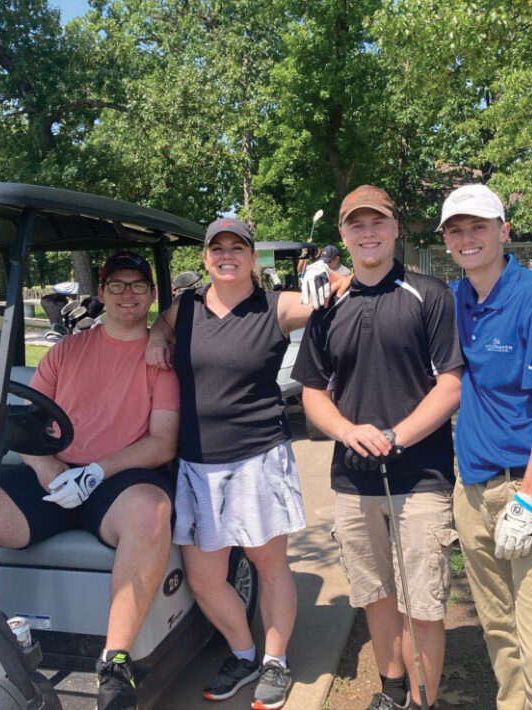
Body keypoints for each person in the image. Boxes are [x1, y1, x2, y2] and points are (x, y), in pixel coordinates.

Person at [146, 216, 343, 710]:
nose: (226, 255)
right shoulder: (187, 307)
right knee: (206, 578)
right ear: (205, 258)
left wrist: (328, 273)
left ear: (253, 258)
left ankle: (276, 661)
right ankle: (244, 653)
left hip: (258, 457)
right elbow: (162, 324)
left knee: (270, 566)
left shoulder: (274, 306)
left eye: (238, 247)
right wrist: (154, 336)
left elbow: (336, 292)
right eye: (218, 248)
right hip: (197, 464)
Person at [292, 185, 464, 710]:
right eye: (357, 225)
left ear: (395, 229)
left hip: (422, 476)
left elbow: (451, 384)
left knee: (425, 602)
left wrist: (397, 436)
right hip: (352, 477)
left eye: (378, 223)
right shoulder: (327, 306)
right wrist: (347, 431)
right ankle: (391, 689)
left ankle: (423, 699)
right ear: (343, 235)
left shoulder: (429, 294)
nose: (368, 233)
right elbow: (312, 392)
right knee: (375, 592)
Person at [0, 252, 180, 710]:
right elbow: (27, 425)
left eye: (137, 285)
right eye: (117, 285)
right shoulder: (66, 352)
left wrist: (95, 473)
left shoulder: (159, 358)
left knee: (151, 512)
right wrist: (46, 468)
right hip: (55, 473)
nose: (127, 294)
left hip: (120, 477)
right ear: (102, 293)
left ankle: (115, 664)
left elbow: (163, 443)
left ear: (152, 295)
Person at [439, 184, 532, 710]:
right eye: (456, 230)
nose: (467, 238)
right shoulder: (455, 300)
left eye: (479, 227)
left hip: (530, 490)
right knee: (498, 632)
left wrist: (528, 501)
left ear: (504, 230)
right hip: (473, 488)